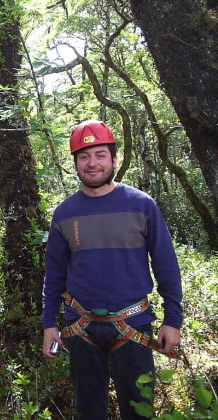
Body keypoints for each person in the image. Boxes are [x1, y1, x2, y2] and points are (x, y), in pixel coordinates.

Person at [41, 120, 183, 419]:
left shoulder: (142, 205)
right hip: (81, 326)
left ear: (113, 159)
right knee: (89, 410)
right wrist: (48, 324)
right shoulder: (65, 213)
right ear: (76, 163)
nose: (92, 163)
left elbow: (166, 263)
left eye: (100, 155)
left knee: (138, 410)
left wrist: (173, 319)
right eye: (84, 156)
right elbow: (54, 273)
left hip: (132, 324)